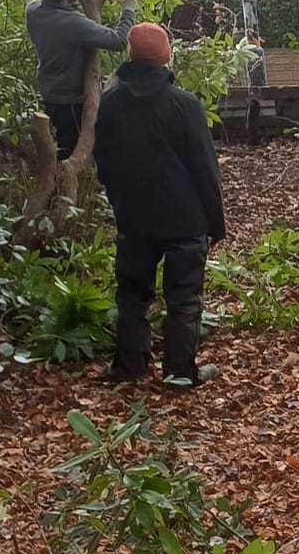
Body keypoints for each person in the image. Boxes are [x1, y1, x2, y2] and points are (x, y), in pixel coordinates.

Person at [92, 22, 226, 386]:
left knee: (132, 295)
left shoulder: (110, 105)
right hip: (186, 220)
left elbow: (104, 162)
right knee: (183, 298)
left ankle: (128, 367)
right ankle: (179, 373)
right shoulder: (184, 105)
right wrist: (216, 224)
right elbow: (205, 169)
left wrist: (120, 202)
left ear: (131, 55)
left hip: (134, 219)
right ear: (166, 58)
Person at [26, 0, 136, 159]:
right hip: (71, 101)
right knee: (70, 153)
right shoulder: (73, 24)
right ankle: (64, 188)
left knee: (60, 146)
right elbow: (119, 41)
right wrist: (128, 11)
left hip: (50, 93)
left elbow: (58, 12)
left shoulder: (32, 11)